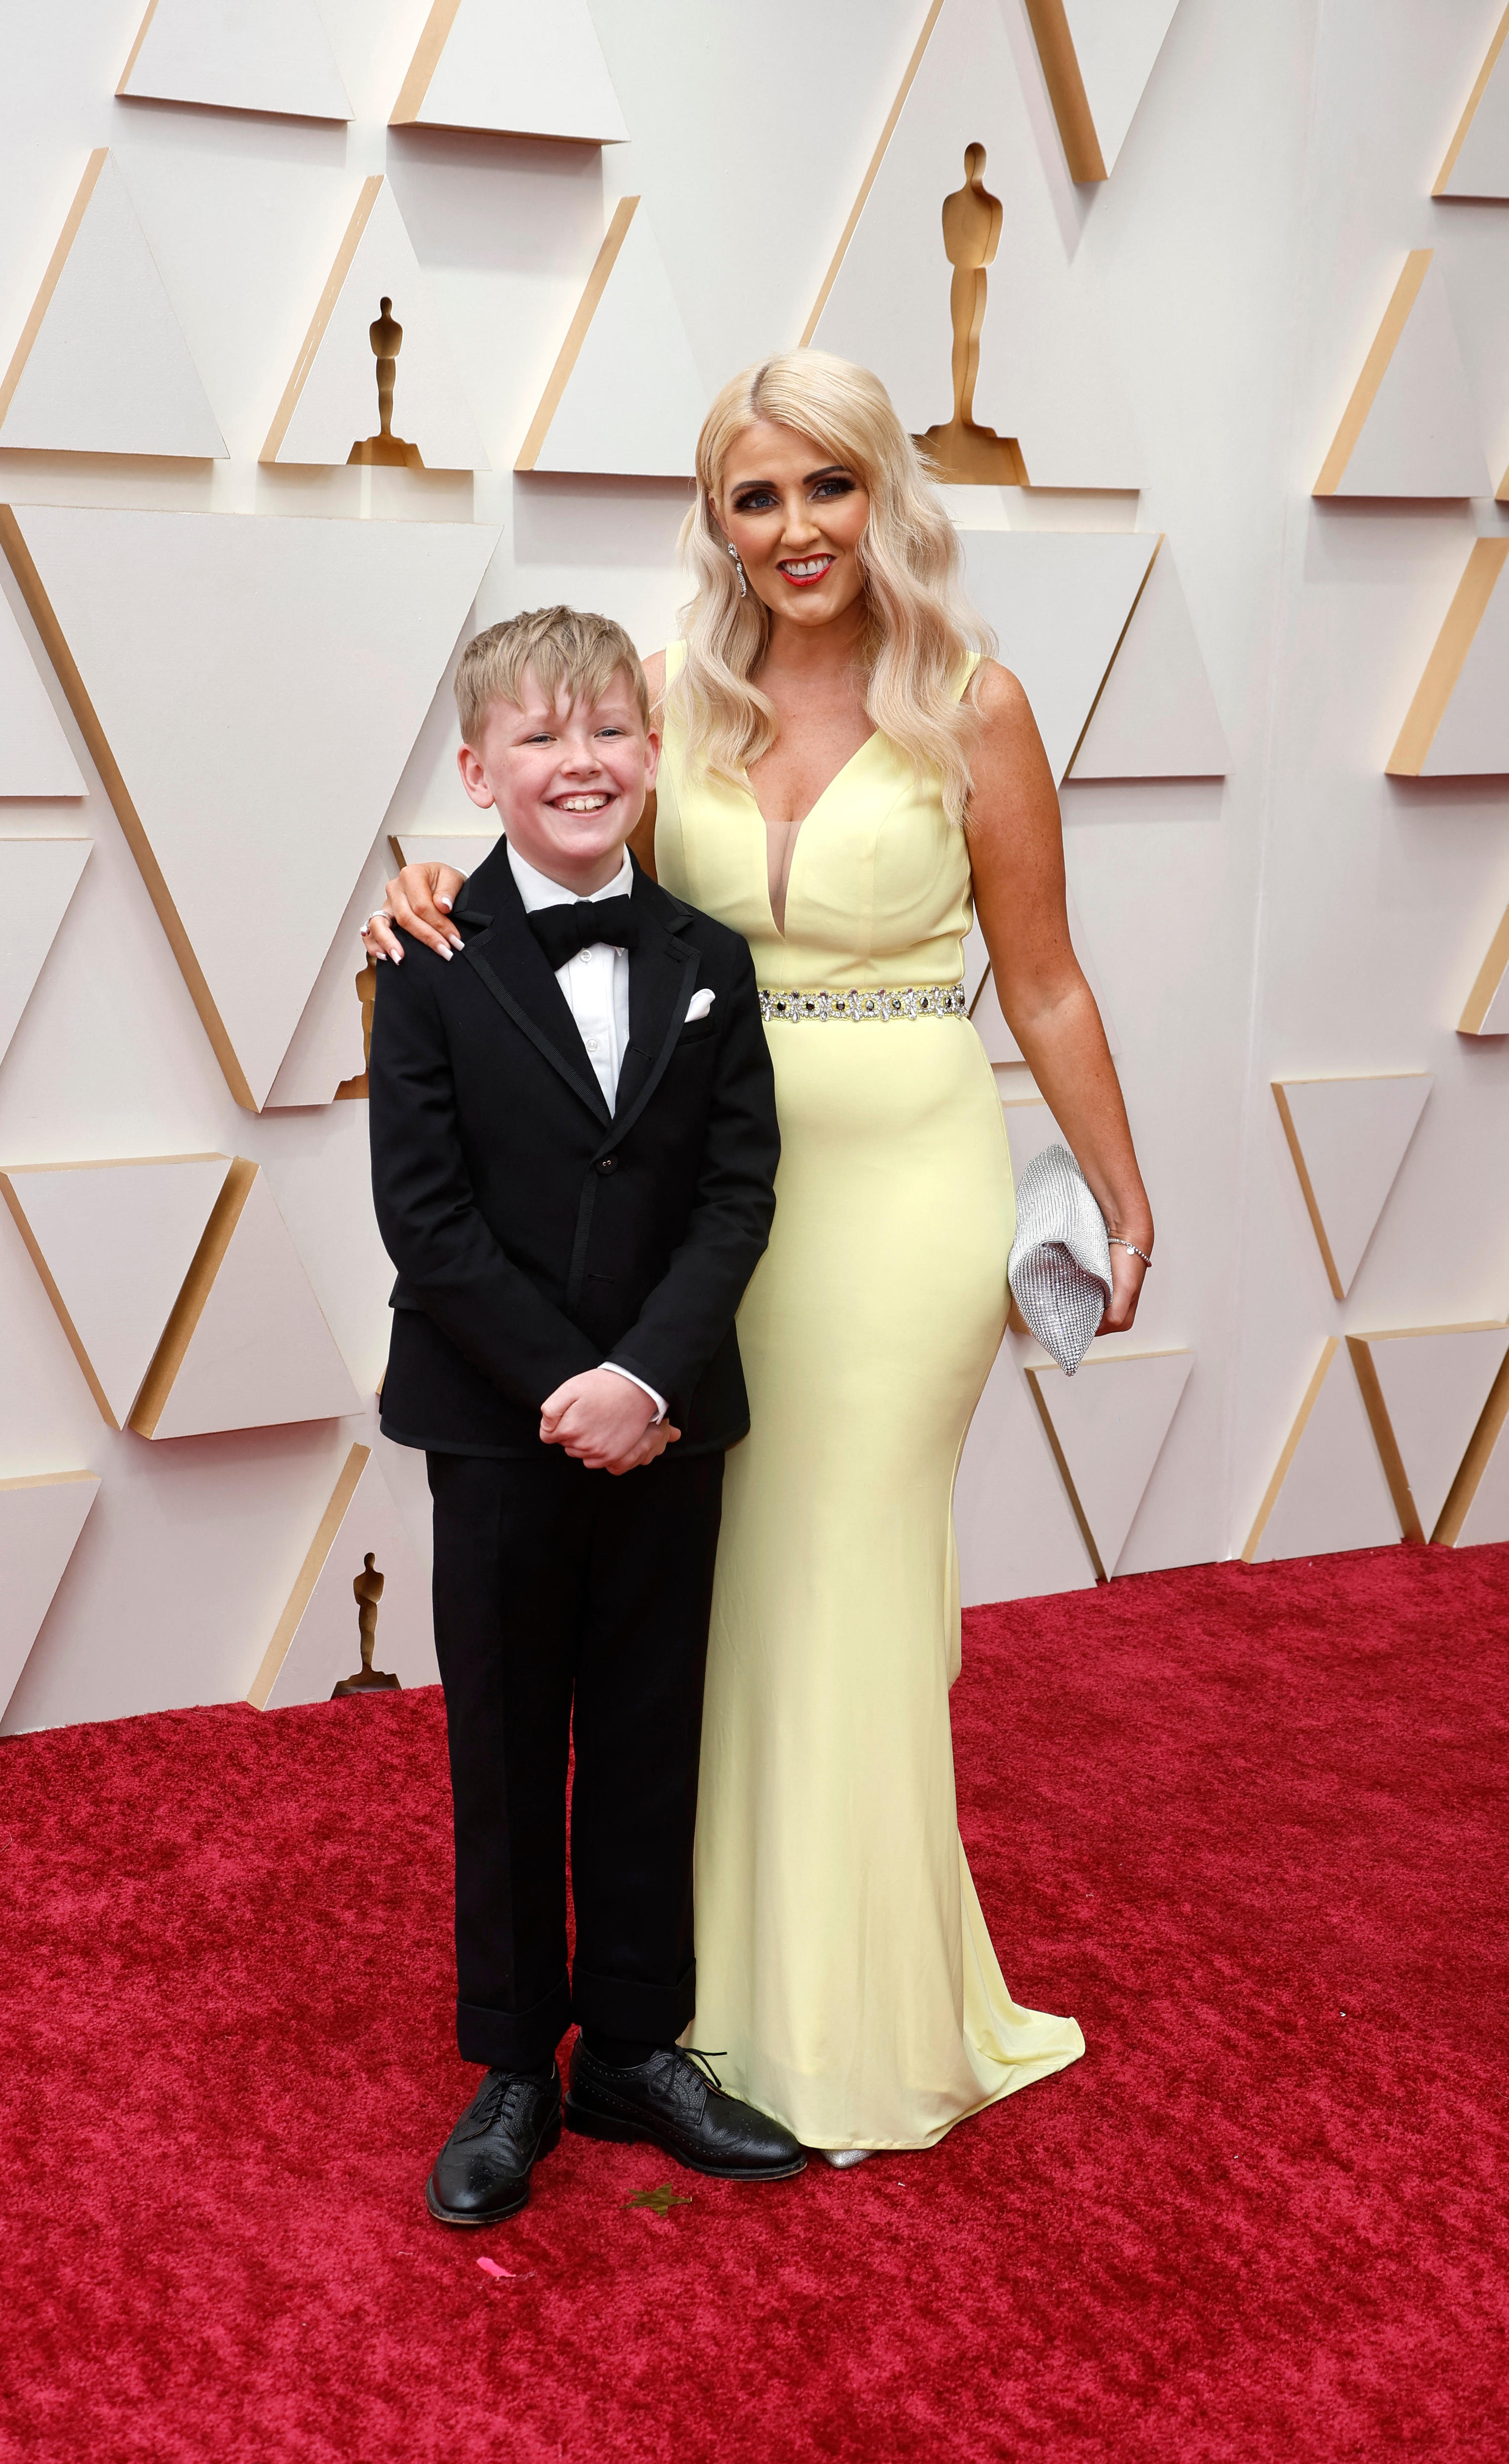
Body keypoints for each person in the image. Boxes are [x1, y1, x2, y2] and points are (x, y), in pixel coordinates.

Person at [366, 352, 1155, 2162]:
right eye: (755, 496)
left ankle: (851, 2019)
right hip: (680, 1219)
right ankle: (669, 2010)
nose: (794, 530)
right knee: (692, 1598)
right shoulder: (663, 695)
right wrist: (418, 891)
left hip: (901, 1206)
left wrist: (1120, 1197)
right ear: (715, 519)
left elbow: (1042, 978)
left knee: (847, 1583)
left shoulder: (979, 706)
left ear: (886, 495)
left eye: (829, 488)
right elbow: (544, 838)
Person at [368, 603, 804, 2225]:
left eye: (610, 730)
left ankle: (634, 2044)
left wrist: (648, 1378)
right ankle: (514, 2067)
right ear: (478, 771)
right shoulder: (422, 960)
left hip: (668, 1417)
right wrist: (566, 1384)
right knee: (503, 1741)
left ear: (653, 751)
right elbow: (428, 1218)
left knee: (646, 1732)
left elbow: (739, 1194)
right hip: (499, 1424)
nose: (581, 761)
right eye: (541, 737)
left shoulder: (711, 960)